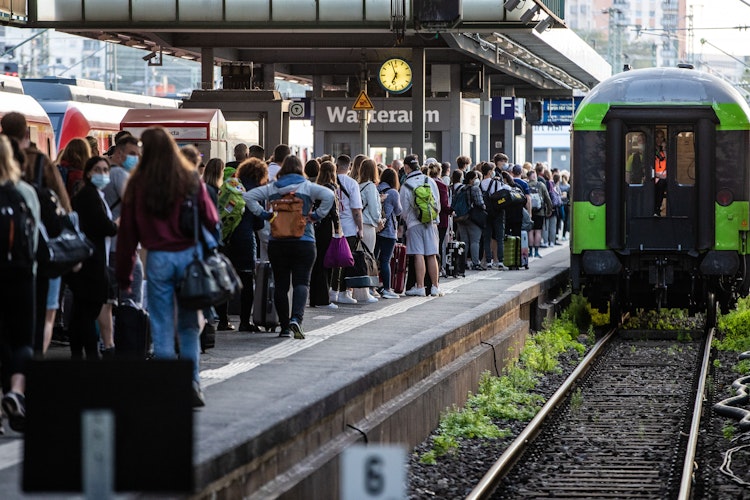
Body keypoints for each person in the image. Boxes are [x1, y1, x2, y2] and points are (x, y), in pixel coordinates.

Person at [116, 126, 219, 408]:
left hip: (158, 258)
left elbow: (127, 234)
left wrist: (124, 275)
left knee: (161, 323)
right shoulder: (188, 178)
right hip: (189, 257)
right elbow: (212, 219)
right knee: (187, 325)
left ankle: (166, 386)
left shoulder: (138, 183)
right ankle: (192, 382)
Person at [1, 112, 72, 356]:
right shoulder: (40, 162)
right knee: (39, 314)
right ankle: (30, 369)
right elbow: (63, 206)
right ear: (26, 134)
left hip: (7, 253)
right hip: (34, 253)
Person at [242, 155, 335, 339]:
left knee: (281, 284)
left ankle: (284, 327)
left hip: (278, 242)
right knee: (301, 282)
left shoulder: (274, 188)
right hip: (304, 240)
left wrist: (265, 215)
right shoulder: (308, 187)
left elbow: (248, 196)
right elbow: (329, 195)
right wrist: (316, 216)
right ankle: (296, 320)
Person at [0, 133, 40, 432]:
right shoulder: (21, 193)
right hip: (23, 274)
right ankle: (16, 392)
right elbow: (36, 237)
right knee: (23, 340)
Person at [67, 156, 119, 360]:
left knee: (83, 311)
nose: (103, 174)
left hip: (91, 259)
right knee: (89, 310)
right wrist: (116, 225)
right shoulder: (89, 196)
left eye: (106, 170)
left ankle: (80, 354)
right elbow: (103, 225)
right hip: (91, 261)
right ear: (88, 172)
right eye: (98, 170)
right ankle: (88, 354)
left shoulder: (92, 194)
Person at [222, 157, 266, 331]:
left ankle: (223, 320)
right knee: (246, 282)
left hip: (226, 238)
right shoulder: (257, 191)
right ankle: (244, 322)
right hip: (246, 240)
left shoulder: (232, 187)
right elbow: (259, 223)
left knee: (224, 280)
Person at [400, 154, 442, 297]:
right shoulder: (429, 180)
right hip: (431, 222)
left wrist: (408, 220)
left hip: (414, 223)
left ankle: (420, 287)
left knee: (418, 254)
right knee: (431, 254)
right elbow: (437, 203)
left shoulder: (406, 185)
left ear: (406, 167)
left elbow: (403, 209)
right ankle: (435, 287)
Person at [330, 154, 364, 304]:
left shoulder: (329, 182)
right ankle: (343, 292)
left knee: (331, 260)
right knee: (345, 261)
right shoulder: (352, 183)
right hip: (349, 228)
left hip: (332, 227)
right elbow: (356, 209)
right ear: (349, 167)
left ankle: (331, 290)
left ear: (336, 166)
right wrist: (360, 228)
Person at [309, 160, 339, 309]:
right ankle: (323, 300)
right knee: (325, 264)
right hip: (326, 228)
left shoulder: (317, 187)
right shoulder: (331, 188)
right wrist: (338, 229)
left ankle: (315, 298)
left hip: (316, 228)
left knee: (317, 264)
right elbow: (333, 211)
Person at [374, 168, 402, 299]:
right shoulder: (393, 192)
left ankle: (371, 287)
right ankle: (386, 288)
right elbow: (398, 211)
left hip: (376, 229)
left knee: (373, 258)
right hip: (388, 230)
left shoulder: (375, 189)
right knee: (385, 261)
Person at [479, 162, 508, 270]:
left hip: (486, 213)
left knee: (487, 238)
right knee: (499, 237)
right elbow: (502, 195)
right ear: (490, 172)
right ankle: (500, 261)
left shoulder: (480, 183)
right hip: (497, 212)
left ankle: (488, 261)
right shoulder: (496, 183)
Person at [454, 170, 485, 271]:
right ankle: (475, 263)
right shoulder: (475, 189)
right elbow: (480, 203)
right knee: (475, 241)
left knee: (464, 241)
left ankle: (463, 263)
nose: (477, 180)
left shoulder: (460, 188)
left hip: (461, 218)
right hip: (472, 218)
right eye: (475, 178)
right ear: (471, 179)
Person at [428, 162, 451, 275]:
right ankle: (438, 268)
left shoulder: (426, 182)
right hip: (441, 219)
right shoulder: (441, 185)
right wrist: (451, 210)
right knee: (439, 244)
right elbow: (444, 204)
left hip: (427, 218)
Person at [654, 128, 667, 216]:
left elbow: (669, 162)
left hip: (662, 177)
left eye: (661, 137)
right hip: (652, 176)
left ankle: (657, 209)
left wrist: (664, 148)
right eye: (657, 137)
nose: (659, 139)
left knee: (662, 184)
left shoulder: (664, 151)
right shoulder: (651, 150)